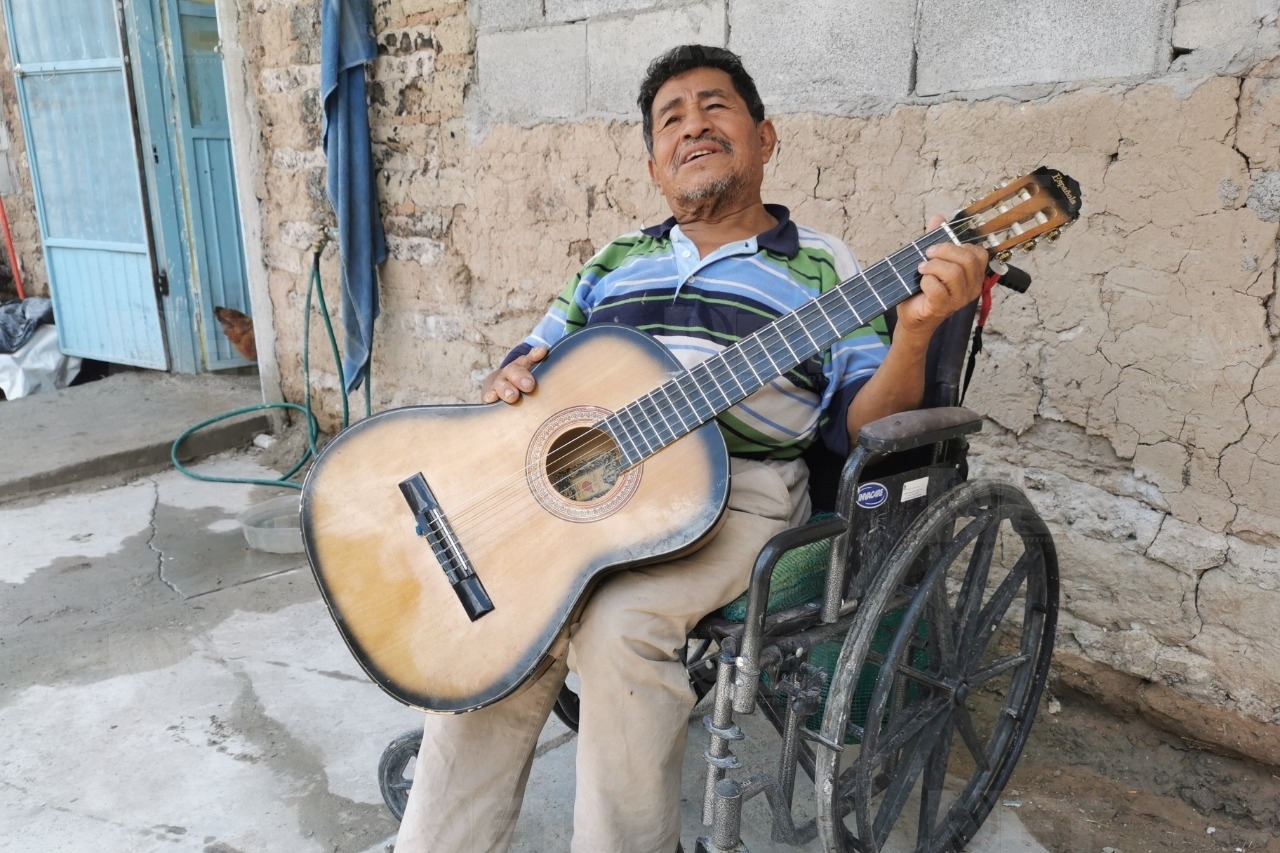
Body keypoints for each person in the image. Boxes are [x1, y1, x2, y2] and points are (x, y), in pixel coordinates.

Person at [395, 44, 986, 853]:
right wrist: (512, 380)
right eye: (671, 118)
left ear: (765, 137)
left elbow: (860, 427)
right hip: (592, 483)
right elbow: (528, 365)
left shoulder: (826, 269)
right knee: (498, 622)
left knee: (619, 625)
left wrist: (913, 333)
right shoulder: (613, 261)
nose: (693, 125)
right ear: (654, 164)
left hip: (736, 493)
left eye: (716, 106)